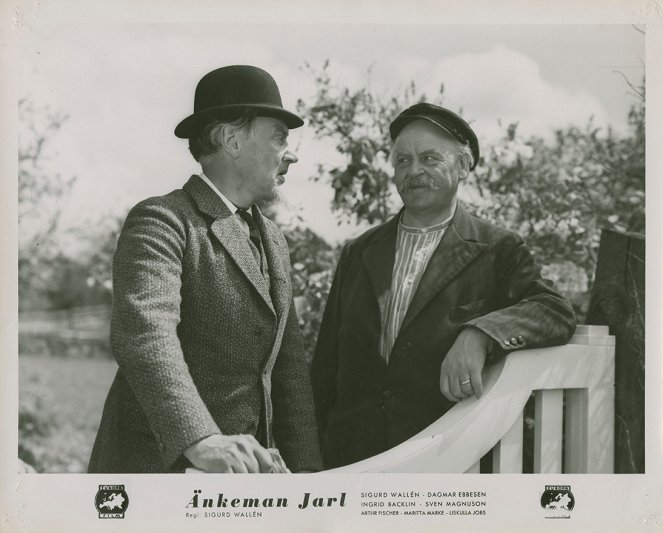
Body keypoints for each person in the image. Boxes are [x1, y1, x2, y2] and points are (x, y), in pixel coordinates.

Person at [311, 102, 577, 469]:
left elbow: (555, 311)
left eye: (429, 158)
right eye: (402, 161)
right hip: (352, 463)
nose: (414, 171)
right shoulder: (358, 252)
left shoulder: (498, 249)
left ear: (464, 166)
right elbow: (324, 370)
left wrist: (480, 334)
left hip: (446, 461)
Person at [89, 65, 322, 473]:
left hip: (245, 488)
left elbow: (290, 375)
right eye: (280, 137)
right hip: (155, 479)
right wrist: (202, 439)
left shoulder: (274, 241)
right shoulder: (162, 219)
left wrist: (309, 483)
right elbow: (145, 333)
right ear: (232, 140)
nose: (292, 153)